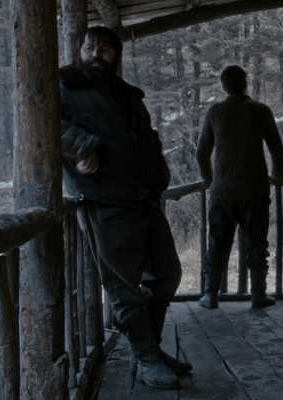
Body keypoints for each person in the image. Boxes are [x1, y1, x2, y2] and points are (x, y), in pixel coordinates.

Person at [59, 26, 190, 390]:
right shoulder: (64, 85)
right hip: (103, 199)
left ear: (116, 55)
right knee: (123, 287)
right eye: (89, 47)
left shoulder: (126, 93)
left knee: (167, 274)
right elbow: (46, 123)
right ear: (79, 50)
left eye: (105, 49)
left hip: (143, 196)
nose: (96, 54)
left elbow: (147, 138)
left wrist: (159, 173)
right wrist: (81, 147)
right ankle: (146, 358)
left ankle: (151, 348)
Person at [196, 65, 283, 309]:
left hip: (222, 192)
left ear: (224, 86)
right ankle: (258, 294)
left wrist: (210, 181)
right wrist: (277, 177)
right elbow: (277, 149)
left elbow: (202, 153)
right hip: (255, 189)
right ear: (245, 83)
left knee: (217, 242)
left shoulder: (215, 112)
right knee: (257, 243)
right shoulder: (260, 111)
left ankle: (210, 294)